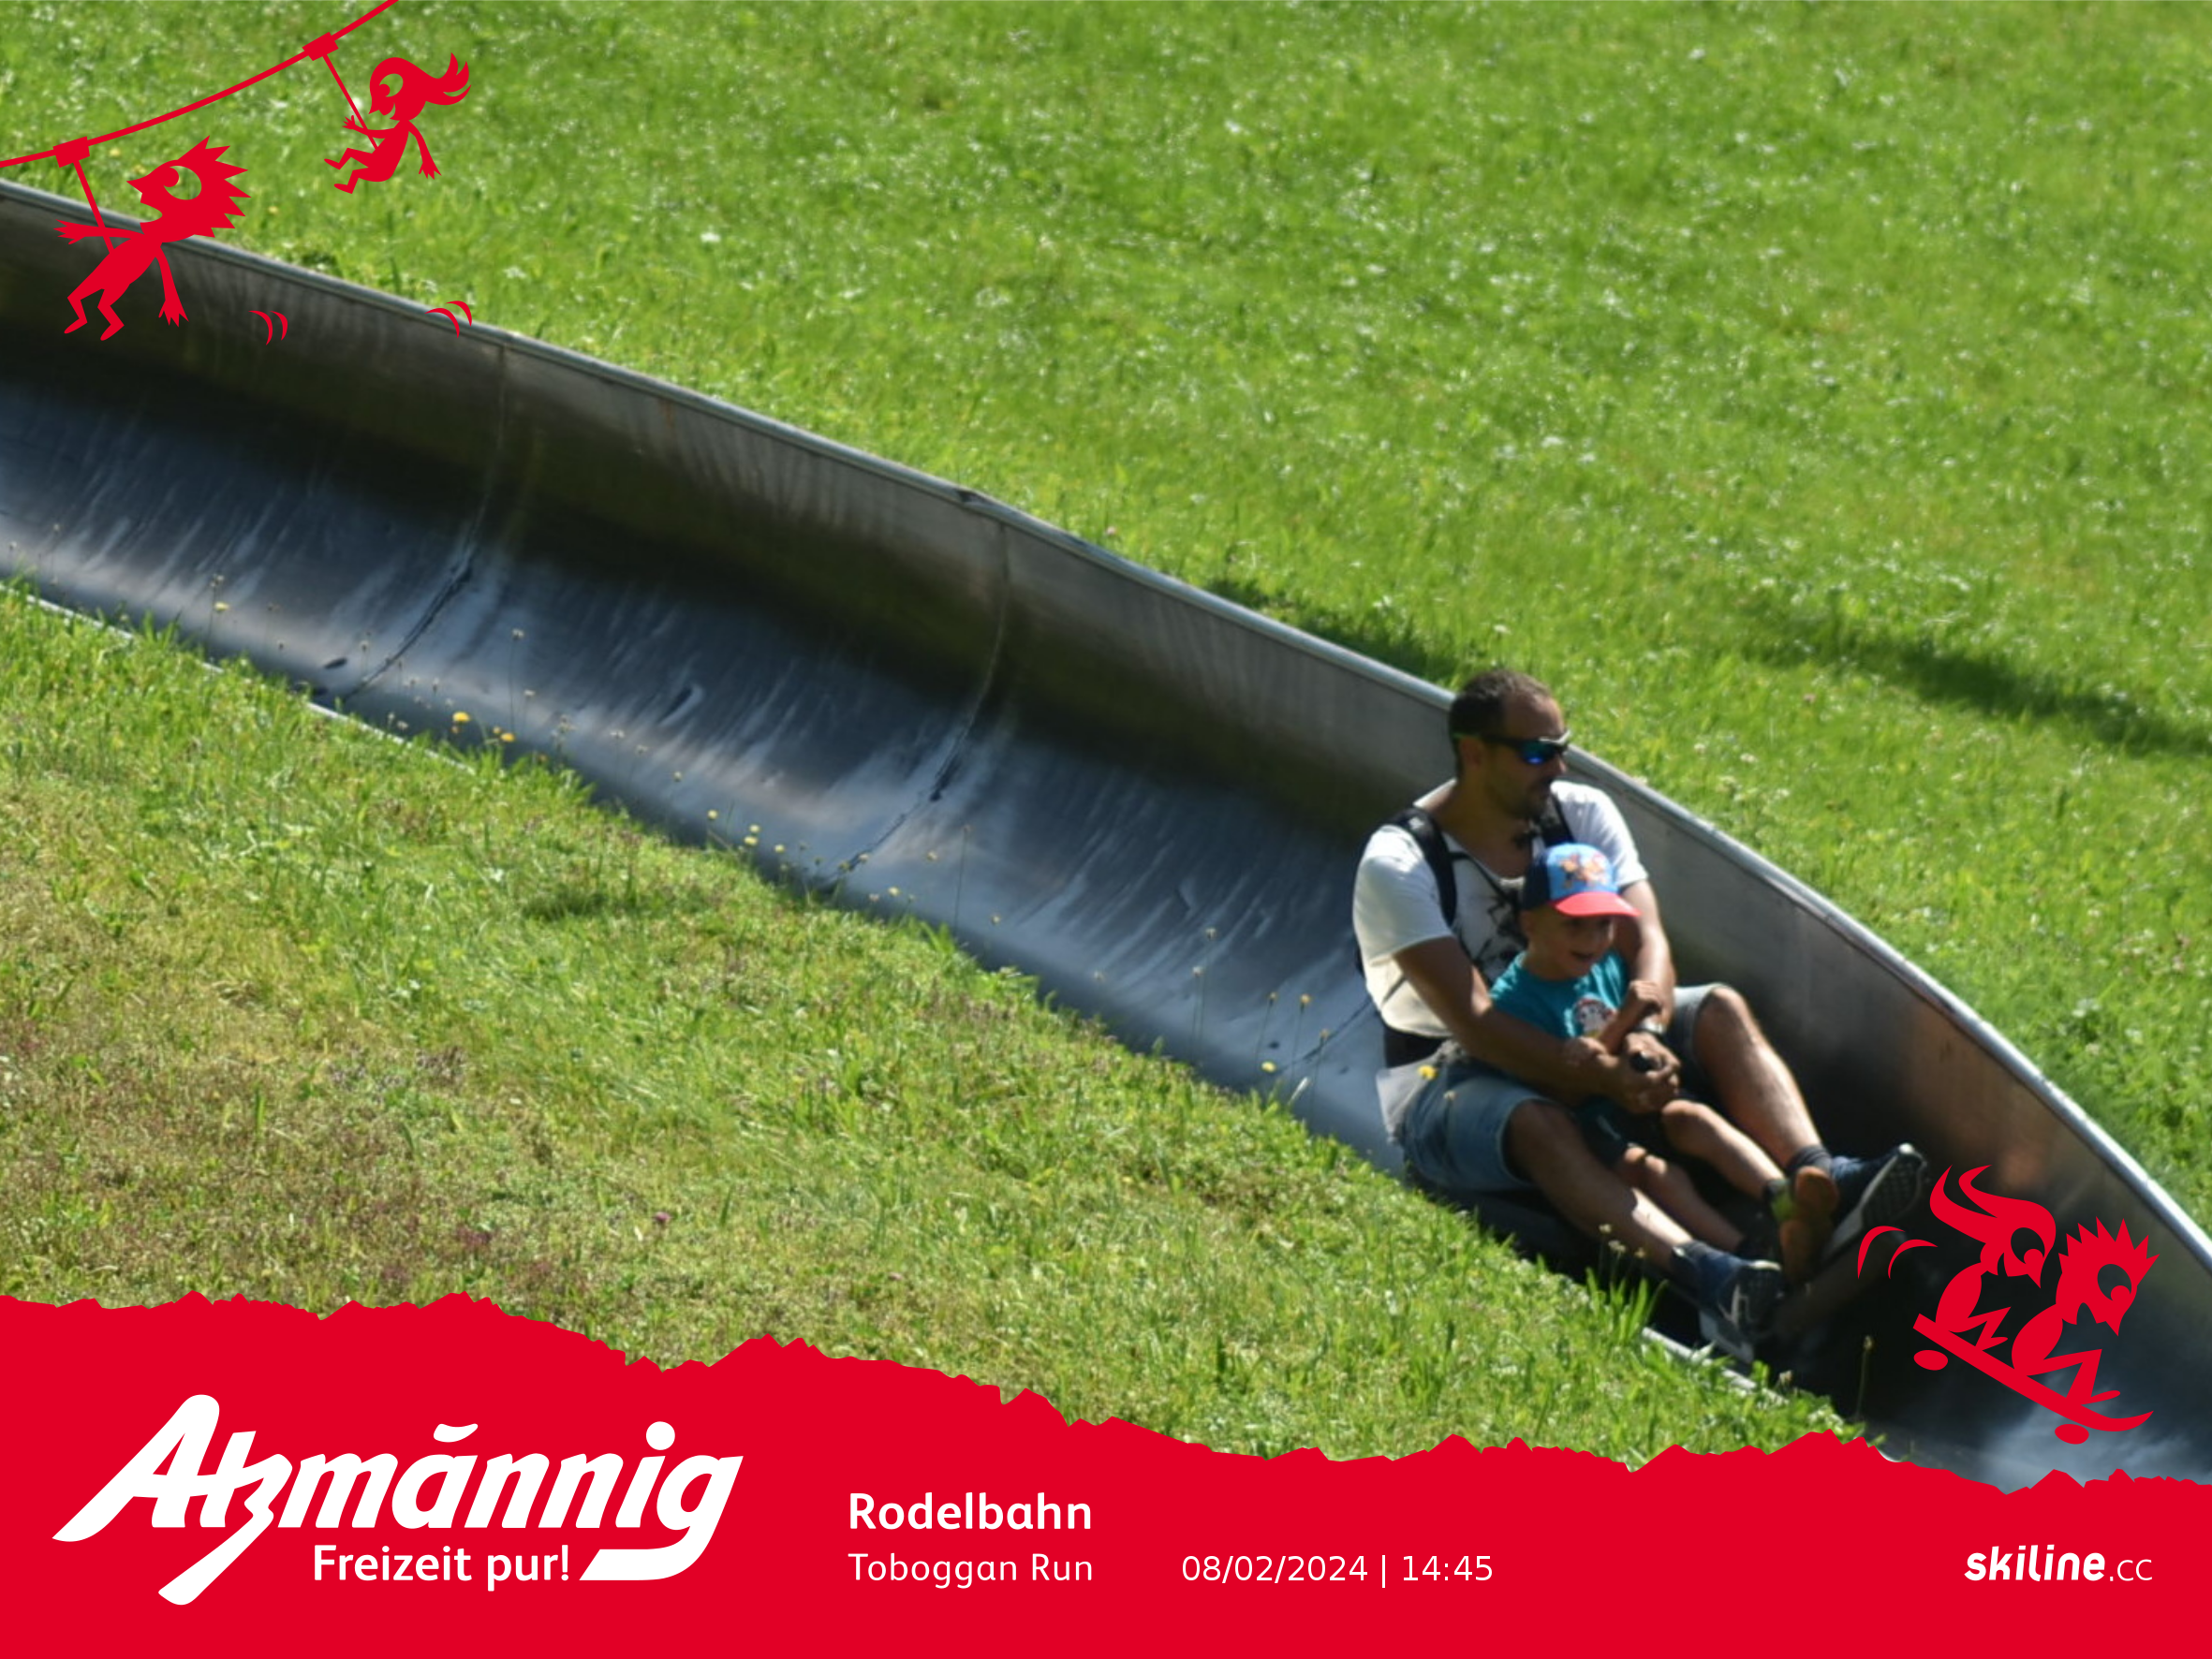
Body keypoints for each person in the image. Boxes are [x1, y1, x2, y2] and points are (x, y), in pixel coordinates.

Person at [1350, 668, 1926, 1355]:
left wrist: (1645, 1036)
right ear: (1474, 753)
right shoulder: (1401, 863)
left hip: (1597, 1021)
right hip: (1455, 1075)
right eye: (1536, 752)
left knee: (1718, 1007)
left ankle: (1822, 1180)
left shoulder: (1578, 814)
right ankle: (1712, 1278)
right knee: (1536, 1119)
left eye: (1562, 747)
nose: (1557, 766)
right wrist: (1601, 1074)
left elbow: (1647, 940)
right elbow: (1477, 1024)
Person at [1489, 841, 1828, 1284]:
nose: (1592, 940)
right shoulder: (1514, 1001)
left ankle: (1787, 1202)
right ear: (1530, 924)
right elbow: (1563, 1089)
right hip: (1586, 1124)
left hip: (1634, 1099)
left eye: (1604, 924)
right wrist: (1624, 1021)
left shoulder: (1604, 964)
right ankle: (1745, 1257)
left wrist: (1644, 1044)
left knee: (1694, 1118)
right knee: (1657, 1175)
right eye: (1574, 925)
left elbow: (1623, 1038)